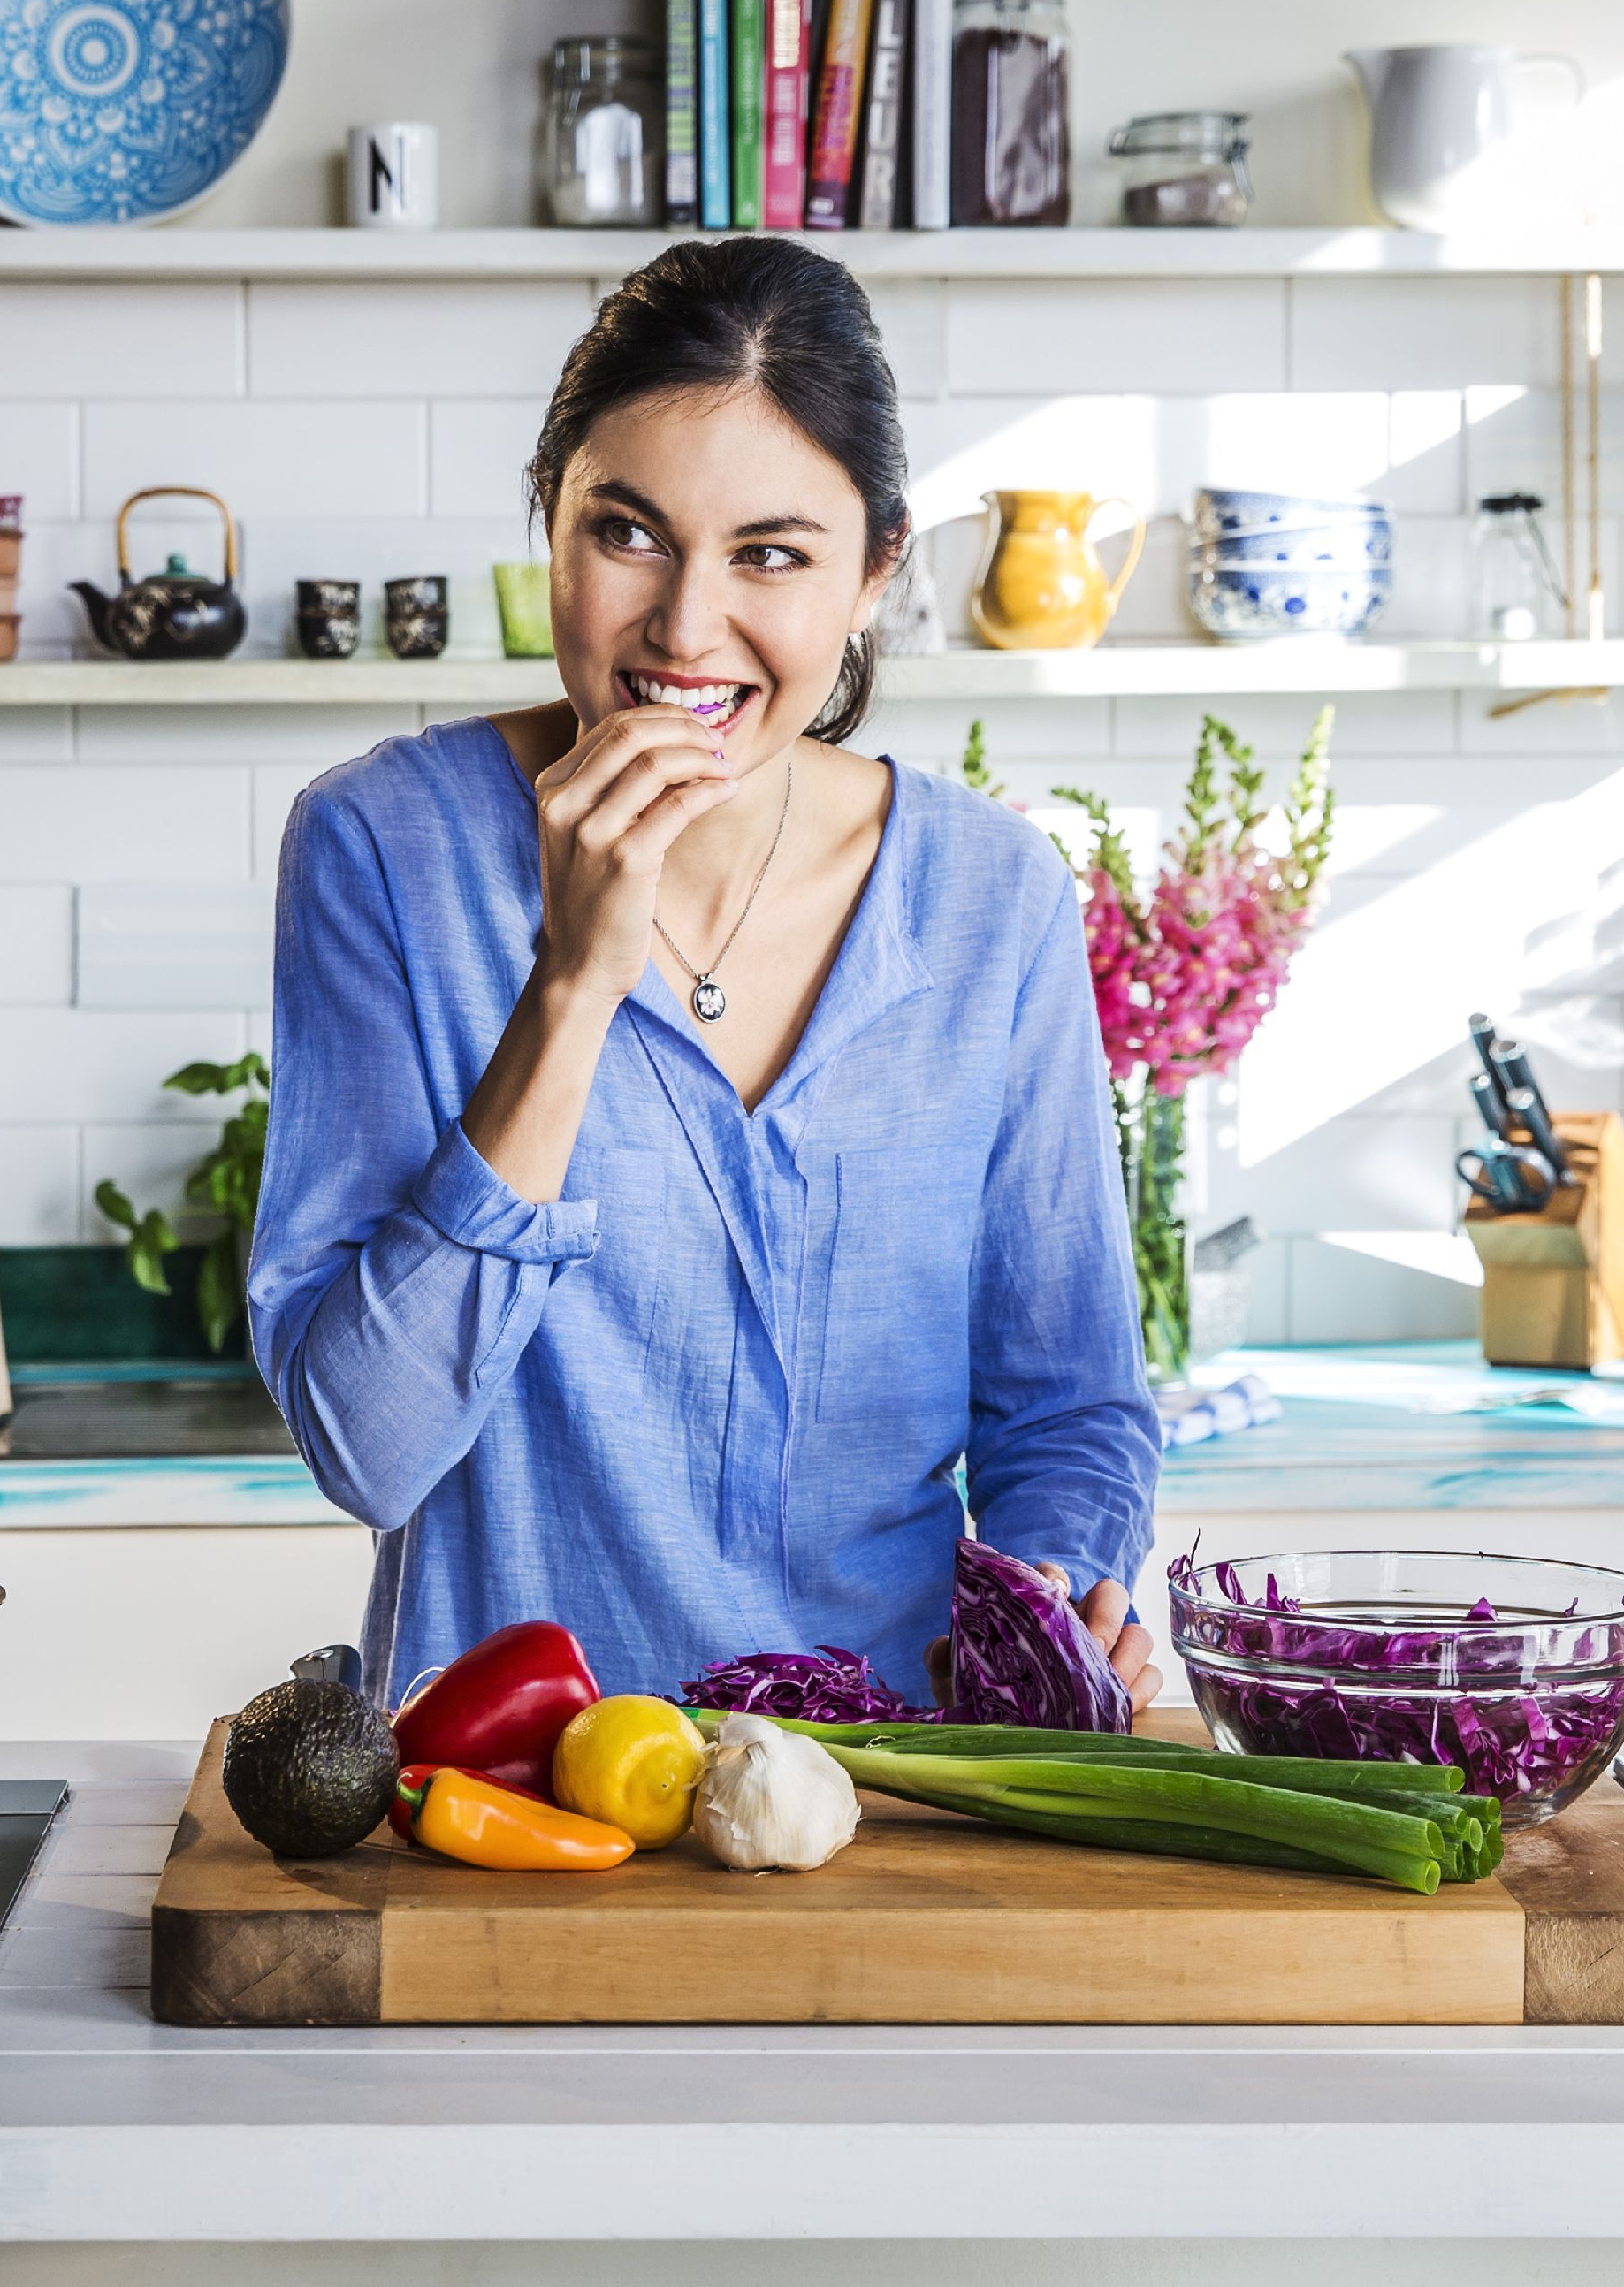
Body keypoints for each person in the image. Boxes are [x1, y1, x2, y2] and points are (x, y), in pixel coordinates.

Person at [247, 235, 1163, 1711]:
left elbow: (1069, 1409)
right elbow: (368, 1444)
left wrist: (1049, 1603)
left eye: (772, 554)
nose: (684, 629)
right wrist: (571, 981)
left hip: (897, 1801)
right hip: (521, 1802)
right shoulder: (381, 850)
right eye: (628, 533)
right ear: (548, 520)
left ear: (875, 574)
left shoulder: (994, 901)